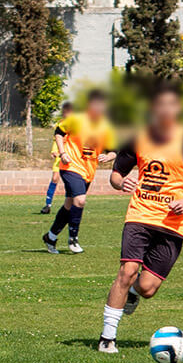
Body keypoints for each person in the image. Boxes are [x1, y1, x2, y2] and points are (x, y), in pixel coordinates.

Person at [96, 82, 183, 354]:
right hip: (141, 214)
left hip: (175, 222)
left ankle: (131, 295)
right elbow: (116, 174)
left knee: (148, 287)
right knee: (127, 271)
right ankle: (107, 338)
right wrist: (120, 183)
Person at [43, 90, 115, 254]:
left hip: (88, 171)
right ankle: (73, 239)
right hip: (70, 167)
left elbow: (113, 149)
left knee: (70, 204)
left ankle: (51, 237)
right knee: (80, 200)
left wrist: (109, 156)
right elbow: (59, 133)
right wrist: (63, 153)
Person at [39, 102, 74, 213]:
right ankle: (48, 205)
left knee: (71, 181)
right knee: (55, 178)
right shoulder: (60, 124)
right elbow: (56, 139)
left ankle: (72, 205)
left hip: (73, 158)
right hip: (60, 156)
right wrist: (54, 151)